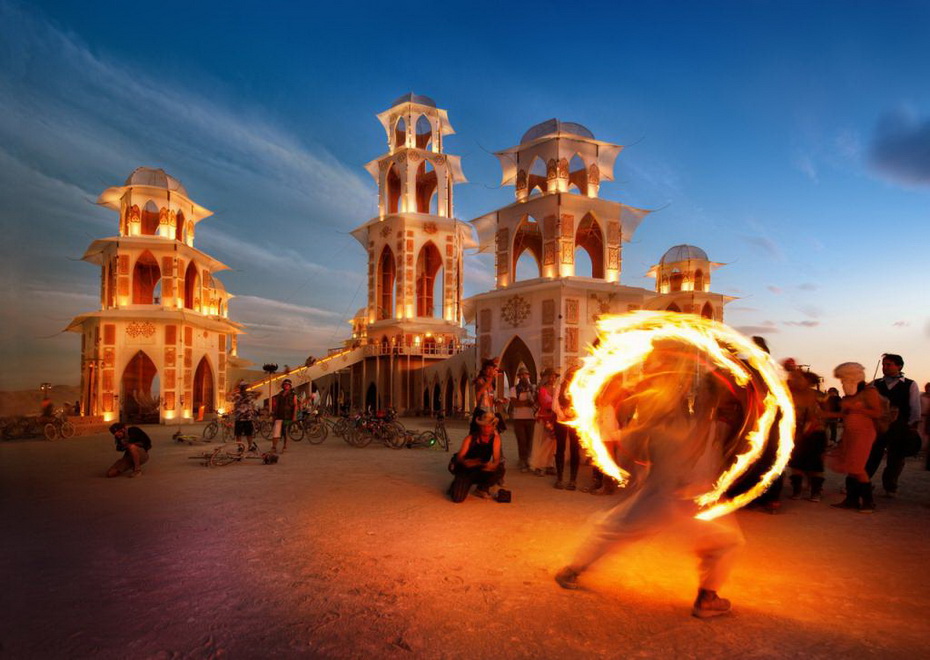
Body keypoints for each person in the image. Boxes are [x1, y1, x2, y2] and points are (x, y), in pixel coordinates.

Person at [554, 340, 744, 618]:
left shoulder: (674, 394)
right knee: (723, 540)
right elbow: (641, 436)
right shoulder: (662, 392)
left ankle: (574, 569)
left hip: (682, 484)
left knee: (620, 527)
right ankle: (707, 597)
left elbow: (642, 437)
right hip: (677, 483)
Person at [828, 363, 882, 513]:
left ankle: (868, 502)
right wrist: (826, 415)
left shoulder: (869, 391)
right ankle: (851, 500)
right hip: (850, 433)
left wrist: (857, 408)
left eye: (844, 378)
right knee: (851, 466)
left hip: (864, 433)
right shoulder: (852, 394)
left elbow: (877, 413)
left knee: (857, 467)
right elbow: (845, 414)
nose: (842, 381)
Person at [865, 354, 921, 496]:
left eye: (889, 364)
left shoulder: (910, 384)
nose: (885, 367)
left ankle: (890, 487)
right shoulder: (875, 384)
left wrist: (910, 426)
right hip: (877, 427)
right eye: (884, 364)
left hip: (899, 427)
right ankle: (863, 483)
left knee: (896, 458)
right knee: (872, 455)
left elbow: (915, 407)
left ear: (899, 366)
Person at [787, 371, 827, 502]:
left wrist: (815, 420)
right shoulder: (790, 395)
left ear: (808, 381)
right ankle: (797, 490)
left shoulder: (819, 396)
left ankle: (816, 492)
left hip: (816, 433)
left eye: (799, 378)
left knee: (815, 463)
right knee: (796, 463)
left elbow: (829, 412)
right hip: (796, 433)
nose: (795, 380)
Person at [448, 411, 505, 502]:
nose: (486, 428)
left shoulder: (496, 439)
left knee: (500, 469)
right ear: (480, 426)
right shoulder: (470, 438)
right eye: (484, 426)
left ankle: (481, 488)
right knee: (457, 498)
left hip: (481, 467)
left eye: (489, 426)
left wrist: (491, 466)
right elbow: (460, 457)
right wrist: (466, 462)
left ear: (493, 427)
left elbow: (496, 459)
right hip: (466, 468)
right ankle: (458, 483)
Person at [552, 364, 582, 490]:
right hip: (561, 421)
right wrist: (562, 414)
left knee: (575, 449)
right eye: (571, 374)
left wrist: (575, 413)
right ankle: (560, 478)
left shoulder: (581, 387)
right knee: (560, 448)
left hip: (575, 421)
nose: (572, 376)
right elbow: (555, 404)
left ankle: (573, 480)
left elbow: (584, 402)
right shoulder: (560, 386)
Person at [528, 367, 559, 476]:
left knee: (551, 444)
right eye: (550, 376)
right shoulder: (541, 389)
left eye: (554, 376)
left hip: (553, 419)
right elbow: (544, 403)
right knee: (541, 442)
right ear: (546, 377)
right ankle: (539, 465)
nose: (553, 378)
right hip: (543, 418)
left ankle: (549, 464)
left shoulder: (556, 390)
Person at [509, 367, 536, 472]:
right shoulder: (514, 389)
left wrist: (526, 403)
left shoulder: (533, 388)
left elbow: (536, 401)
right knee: (522, 441)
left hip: (531, 418)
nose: (523, 376)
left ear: (528, 375)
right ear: (519, 377)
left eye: (525, 374)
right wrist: (527, 403)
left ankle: (528, 459)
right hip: (519, 419)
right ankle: (522, 460)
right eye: (521, 375)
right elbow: (515, 403)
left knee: (530, 441)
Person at [271, 379, 298, 453]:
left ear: (290, 386)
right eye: (285, 384)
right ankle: (274, 447)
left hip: (288, 416)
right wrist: (274, 415)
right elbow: (276, 405)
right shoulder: (280, 394)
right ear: (283, 385)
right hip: (279, 415)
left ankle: (285, 446)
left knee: (286, 432)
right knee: (276, 432)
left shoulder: (293, 395)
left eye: (287, 384)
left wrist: (294, 416)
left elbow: (295, 405)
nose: (286, 386)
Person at [233, 383, 258, 450]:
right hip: (240, 418)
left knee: (248, 433)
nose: (244, 389)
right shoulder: (238, 395)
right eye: (243, 387)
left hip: (246, 417)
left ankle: (248, 446)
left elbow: (258, 394)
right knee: (240, 434)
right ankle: (240, 446)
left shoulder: (246, 395)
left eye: (245, 388)